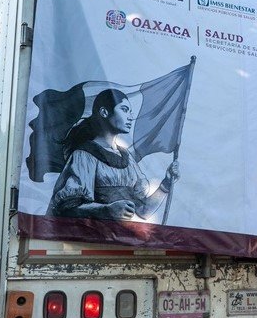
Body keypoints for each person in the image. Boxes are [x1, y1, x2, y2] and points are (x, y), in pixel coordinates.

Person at [47, 88, 180, 221]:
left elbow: (143, 210)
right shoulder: (84, 154)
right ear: (104, 112)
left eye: (130, 112)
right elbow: (67, 209)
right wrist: (106, 210)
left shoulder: (127, 157)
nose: (130, 117)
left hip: (121, 234)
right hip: (94, 233)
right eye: (124, 110)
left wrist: (166, 183)